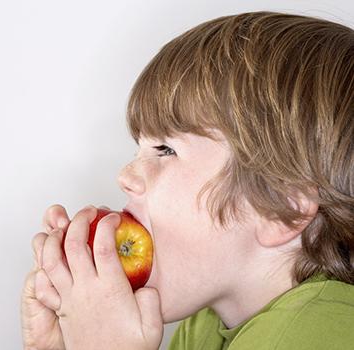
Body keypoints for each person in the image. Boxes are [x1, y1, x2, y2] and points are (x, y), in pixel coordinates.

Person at [21, 11, 354, 350]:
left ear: (282, 207)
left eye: (165, 149)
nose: (126, 176)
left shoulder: (315, 334)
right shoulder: (206, 324)